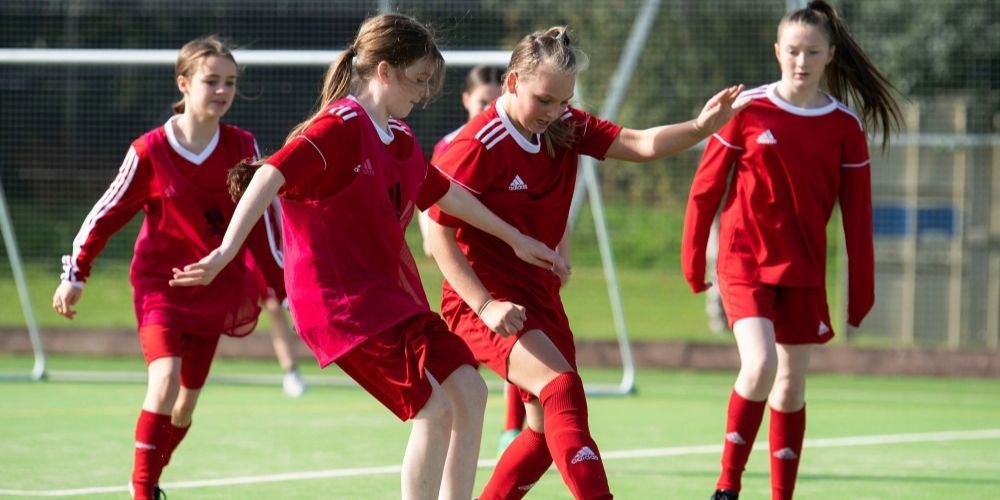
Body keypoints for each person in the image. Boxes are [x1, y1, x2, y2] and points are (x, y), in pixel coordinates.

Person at [169, 14, 566, 500]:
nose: (424, 93)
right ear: (384, 72)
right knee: (434, 410)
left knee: (470, 390)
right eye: (418, 79)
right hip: (343, 307)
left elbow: (445, 194)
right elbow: (271, 173)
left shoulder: (398, 136)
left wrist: (515, 238)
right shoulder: (340, 126)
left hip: (388, 300)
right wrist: (226, 250)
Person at [427, 26, 745, 500]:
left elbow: (639, 143)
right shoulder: (479, 143)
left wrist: (700, 127)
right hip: (482, 298)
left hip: (539, 295)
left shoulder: (563, 125)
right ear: (512, 82)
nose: (554, 112)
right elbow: (437, 233)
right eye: (544, 99)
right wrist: (487, 305)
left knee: (543, 432)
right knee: (562, 389)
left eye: (564, 101)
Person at [680, 2, 902, 499]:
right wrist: (693, 262)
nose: (802, 61)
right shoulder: (747, 109)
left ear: (830, 56)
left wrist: (861, 293)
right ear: (777, 51)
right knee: (760, 365)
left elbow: (858, 216)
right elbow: (705, 190)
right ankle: (727, 486)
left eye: (813, 52)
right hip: (744, 261)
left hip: (803, 270)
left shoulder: (844, 126)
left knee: (790, 387)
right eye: (794, 51)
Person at [51, 36, 285, 500]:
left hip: (215, 287)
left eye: (230, 82)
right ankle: (142, 492)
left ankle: (149, 477)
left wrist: (286, 287)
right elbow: (106, 213)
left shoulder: (242, 145)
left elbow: (262, 223)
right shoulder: (150, 150)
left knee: (184, 407)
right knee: (163, 381)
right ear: (184, 83)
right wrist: (76, 272)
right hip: (160, 286)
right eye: (212, 81)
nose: (223, 91)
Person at [423, 64, 529, 455]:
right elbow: (431, 197)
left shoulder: (515, 140)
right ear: (466, 99)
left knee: (519, 341)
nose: (489, 107)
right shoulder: (452, 145)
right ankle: (453, 424)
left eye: (494, 100)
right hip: (465, 266)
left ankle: (512, 430)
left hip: (507, 265)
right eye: (482, 100)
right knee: (465, 354)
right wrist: (430, 238)